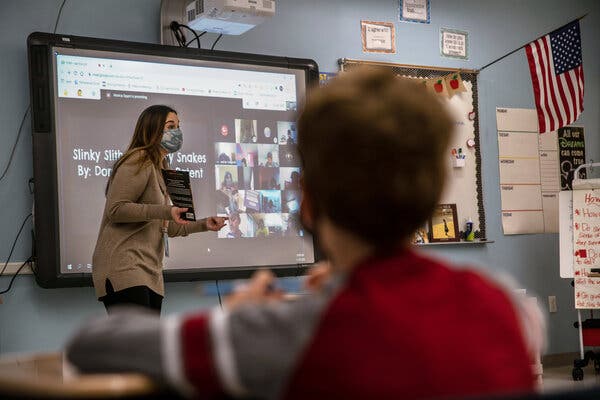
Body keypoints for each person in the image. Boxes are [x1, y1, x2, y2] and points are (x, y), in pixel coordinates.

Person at [66, 69, 545, 399]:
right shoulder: (513, 310)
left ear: (308, 203)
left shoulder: (284, 332)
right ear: (434, 189)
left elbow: (90, 346)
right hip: (130, 268)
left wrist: (241, 317)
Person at [92, 105, 227, 314]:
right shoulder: (138, 159)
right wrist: (165, 211)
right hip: (125, 267)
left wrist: (204, 224)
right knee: (139, 345)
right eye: (170, 126)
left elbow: (169, 228)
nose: (177, 132)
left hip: (150, 272)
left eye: (178, 126)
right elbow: (116, 209)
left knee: (149, 345)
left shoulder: (162, 166)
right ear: (153, 129)